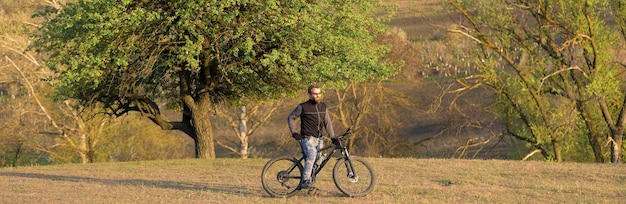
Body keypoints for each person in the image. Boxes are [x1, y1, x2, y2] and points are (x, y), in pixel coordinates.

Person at [287, 84, 336, 189]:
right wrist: (294, 133)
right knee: (312, 155)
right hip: (307, 138)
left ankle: (311, 185)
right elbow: (291, 117)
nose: (317, 96)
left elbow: (328, 122)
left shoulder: (323, 106)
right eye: (315, 94)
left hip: (319, 139)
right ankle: (305, 180)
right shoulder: (303, 107)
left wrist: (333, 137)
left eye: (319, 94)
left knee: (318, 161)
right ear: (309, 95)